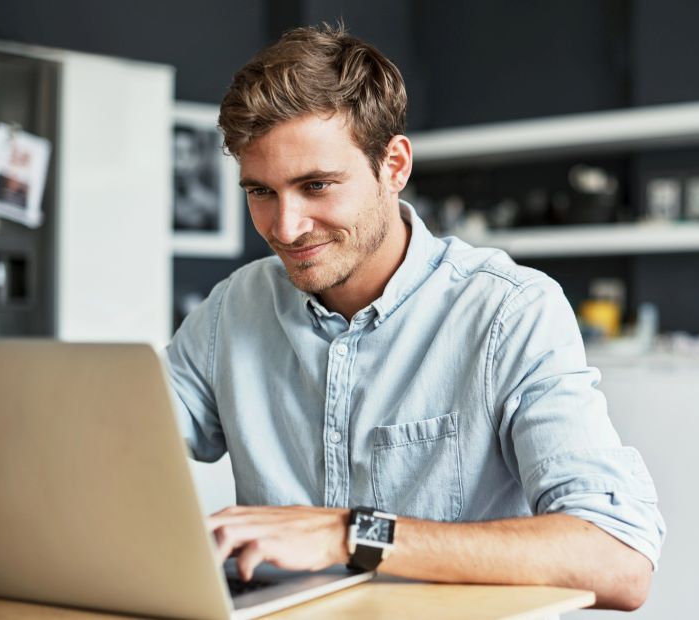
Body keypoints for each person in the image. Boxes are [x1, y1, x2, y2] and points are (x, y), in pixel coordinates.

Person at [165, 23, 665, 611]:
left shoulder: (509, 311)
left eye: (317, 185)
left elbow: (619, 558)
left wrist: (350, 534)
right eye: (261, 192)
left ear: (394, 165)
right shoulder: (233, 308)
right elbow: (120, 448)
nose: (285, 227)